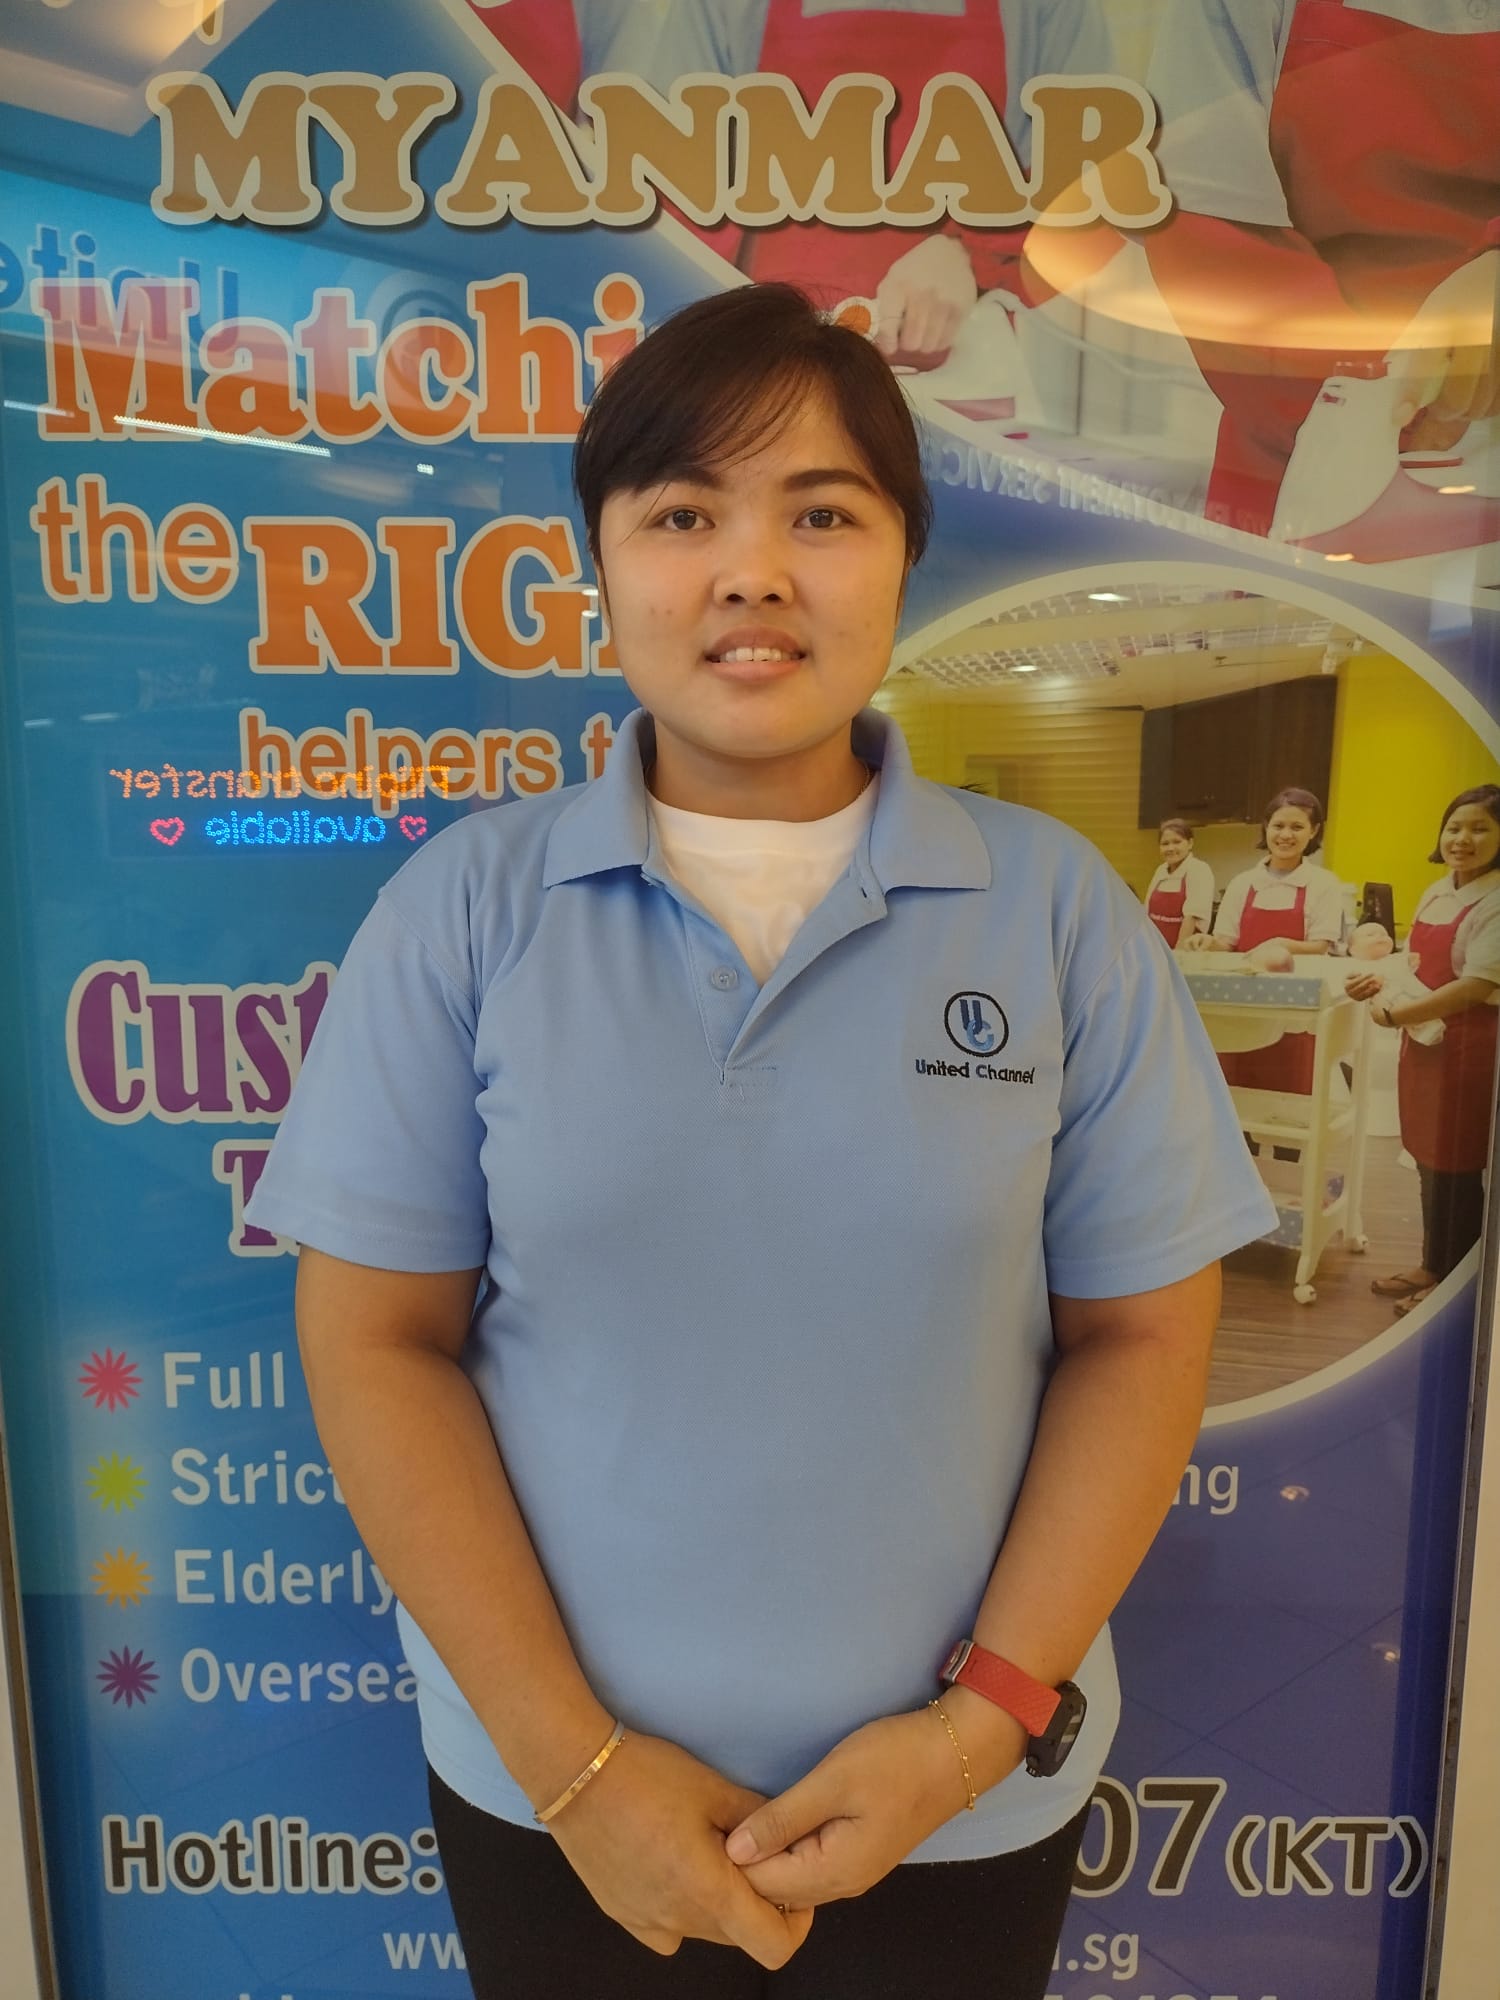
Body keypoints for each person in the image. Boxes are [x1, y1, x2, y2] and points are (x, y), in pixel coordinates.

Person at [243, 283, 1275, 1999]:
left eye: (823, 514)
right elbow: (374, 1342)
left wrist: (969, 1735)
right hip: (560, 1810)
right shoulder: (464, 912)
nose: (752, 573)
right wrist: (578, 1771)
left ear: (902, 557)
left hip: (963, 1805)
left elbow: (1144, 1341)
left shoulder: (1055, 912)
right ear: (599, 563)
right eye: (681, 516)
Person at [1347, 785, 1500, 1318]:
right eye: (1454, 827)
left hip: (1470, 1047)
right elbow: (1413, 962)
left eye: (1480, 828)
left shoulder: (1495, 900)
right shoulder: (1437, 892)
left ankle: (1456, 1284)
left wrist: (1396, 1016)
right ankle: (1433, 1264)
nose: (1463, 839)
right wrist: (1376, 982)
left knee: (1459, 1166)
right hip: (1425, 1045)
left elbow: (1475, 986)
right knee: (1429, 1158)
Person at [1184, 787, 1342, 1094]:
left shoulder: (1323, 884)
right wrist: (1205, 942)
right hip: (1241, 1011)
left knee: (1290, 1102)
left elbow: (1321, 946)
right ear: (1266, 827)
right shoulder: (1243, 883)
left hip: (1294, 1013)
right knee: (1237, 1099)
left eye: (1297, 827)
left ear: (1314, 831)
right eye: (1278, 825)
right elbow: (1226, 943)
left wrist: (1281, 944)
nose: (1286, 835)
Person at [1145, 818, 1215, 948]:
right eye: (1165, 843)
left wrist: (1179, 952)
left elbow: (1192, 917)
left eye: (1177, 842)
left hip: (1184, 951)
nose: (1170, 848)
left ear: (1190, 843)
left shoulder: (1199, 869)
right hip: (1155, 948)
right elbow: (1147, 912)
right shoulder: (1160, 870)